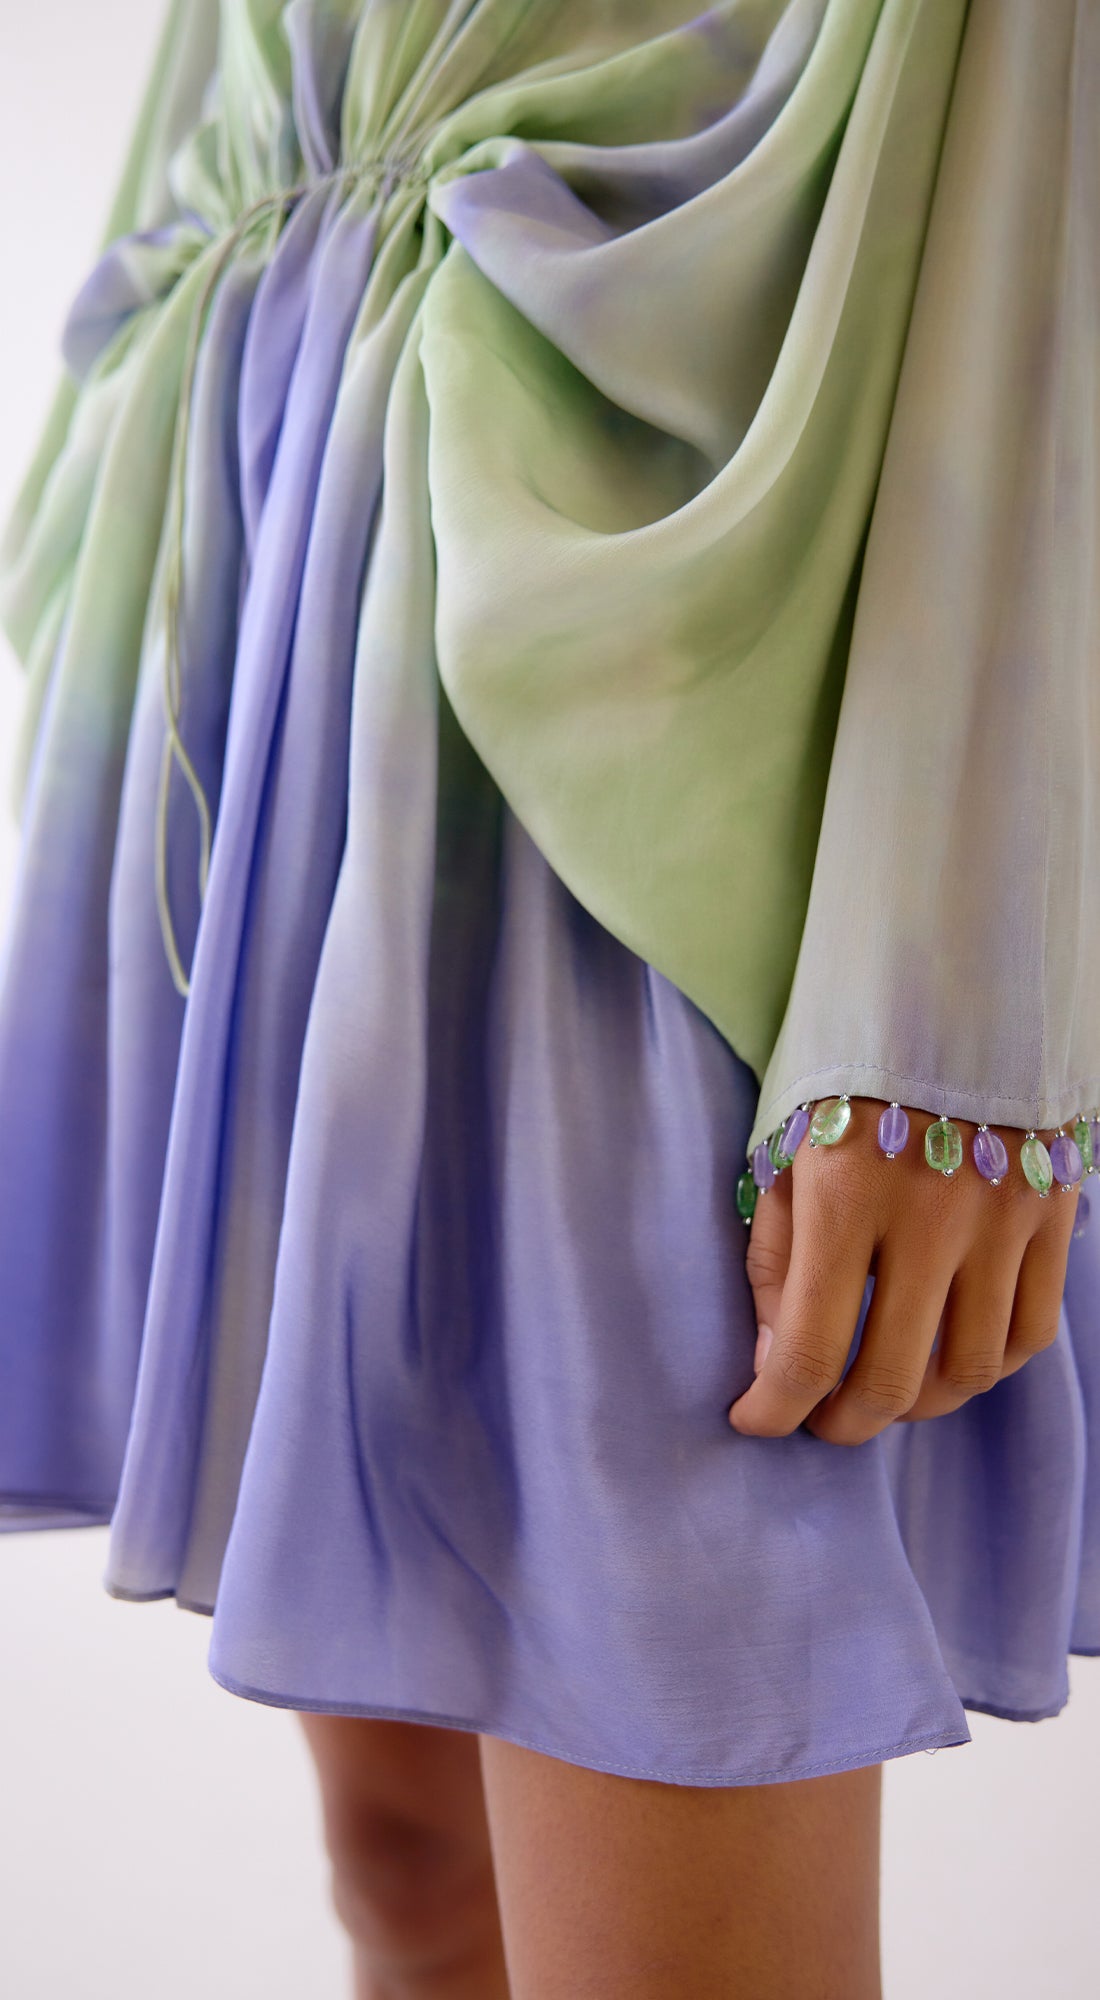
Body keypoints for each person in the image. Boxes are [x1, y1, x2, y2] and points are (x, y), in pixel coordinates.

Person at [0, 2, 1096, 1994]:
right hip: (295, 549)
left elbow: (1042, 116)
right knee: (414, 1868)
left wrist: (945, 996)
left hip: (662, 693)